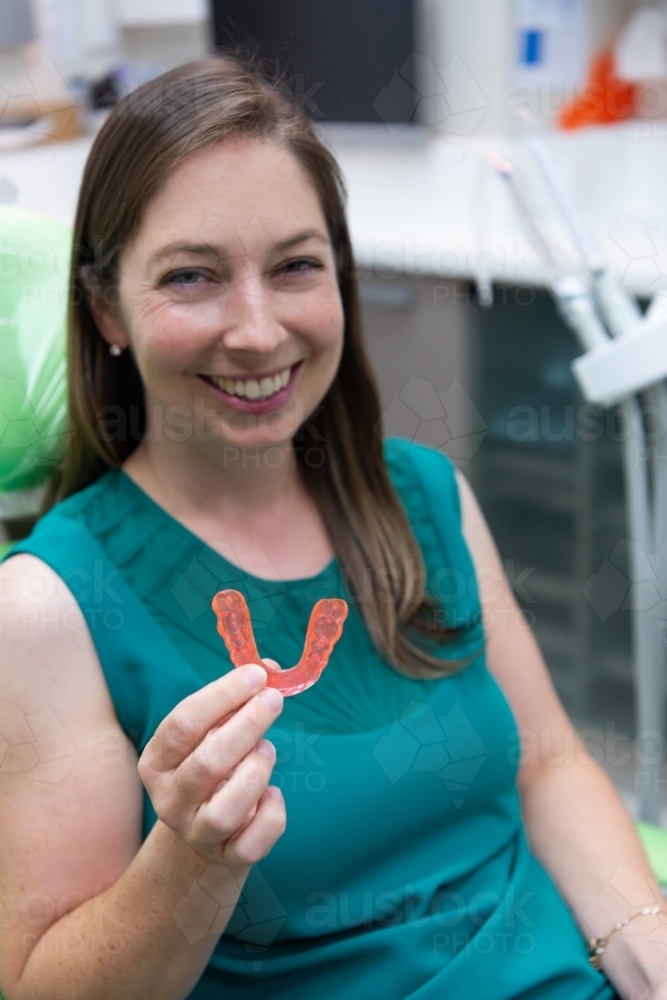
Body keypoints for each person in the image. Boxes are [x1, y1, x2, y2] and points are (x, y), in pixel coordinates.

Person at [0, 52, 665, 1000]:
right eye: (193, 277)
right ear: (107, 306)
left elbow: (550, 764)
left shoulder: (424, 497)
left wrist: (645, 942)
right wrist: (192, 862)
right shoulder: (48, 607)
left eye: (296, 267)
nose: (261, 330)